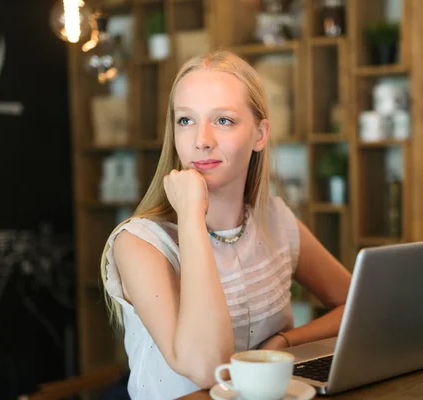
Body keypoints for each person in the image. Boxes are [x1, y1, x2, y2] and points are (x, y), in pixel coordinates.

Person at [100, 49, 352, 399]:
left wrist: (284, 341)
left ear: (260, 134)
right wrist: (190, 216)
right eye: (185, 120)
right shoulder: (140, 243)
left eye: (223, 121)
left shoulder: (276, 219)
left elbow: (355, 305)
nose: (201, 140)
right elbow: (207, 369)